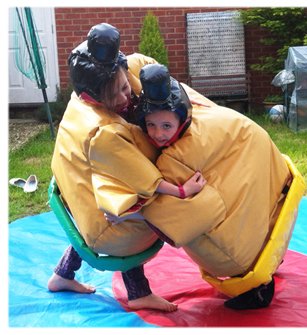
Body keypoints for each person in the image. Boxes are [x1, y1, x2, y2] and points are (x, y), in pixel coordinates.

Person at [48, 23, 205, 312]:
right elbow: (148, 179)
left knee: (102, 218)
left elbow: (138, 66)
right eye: (114, 97)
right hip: (104, 227)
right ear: (93, 98)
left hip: (68, 193)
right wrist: (183, 191)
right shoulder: (105, 132)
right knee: (142, 212)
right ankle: (138, 294)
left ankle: (61, 275)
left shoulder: (81, 94)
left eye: (125, 87)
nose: (124, 98)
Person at [128, 63, 294, 310]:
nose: (157, 134)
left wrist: (131, 211)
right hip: (277, 179)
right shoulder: (203, 112)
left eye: (166, 126)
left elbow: (160, 211)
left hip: (257, 174)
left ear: (181, 118)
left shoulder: (175, 158)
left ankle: (256, 285)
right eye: (150, 125)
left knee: (237, 247)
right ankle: (263, 262)